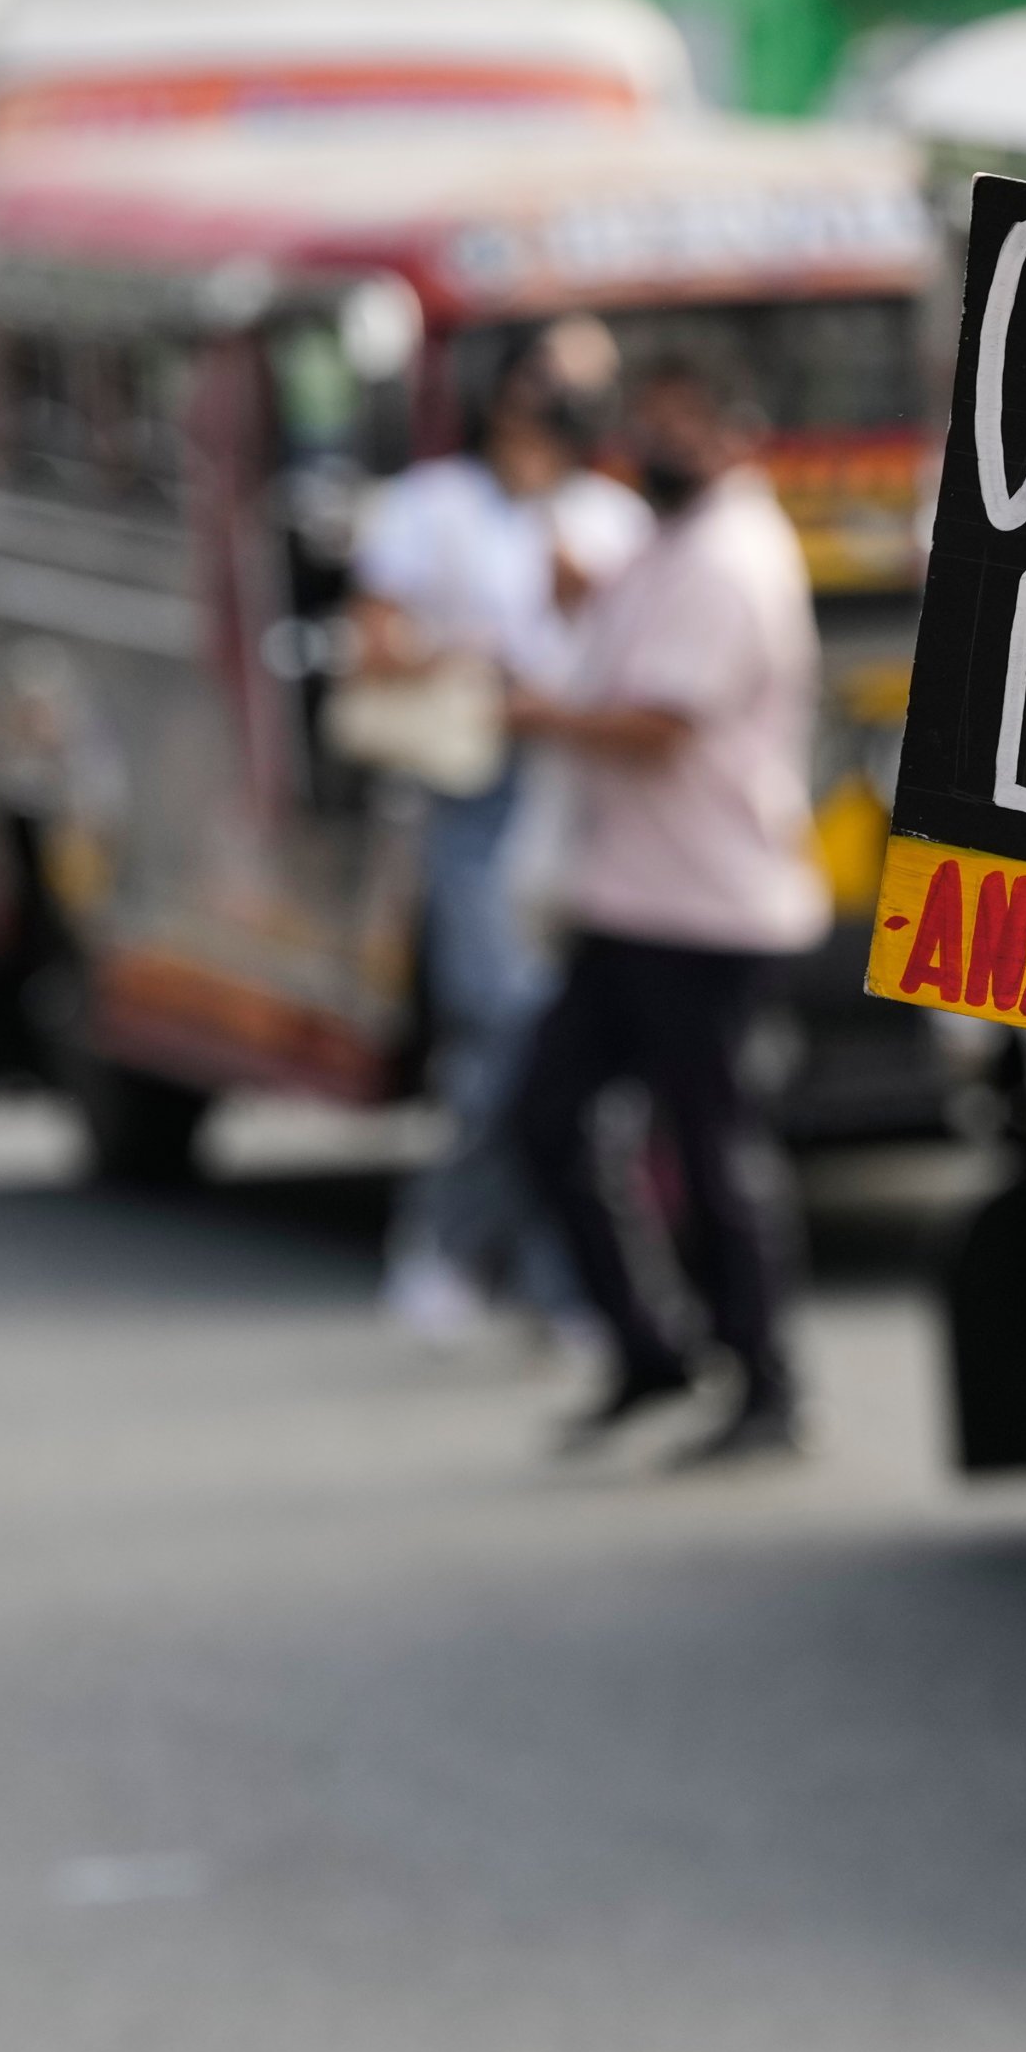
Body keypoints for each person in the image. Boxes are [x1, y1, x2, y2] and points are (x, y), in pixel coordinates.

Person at [506, 340, 831, 1467]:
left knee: (712, 1151)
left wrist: (528, 719)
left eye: (684, 425)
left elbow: (661, 722)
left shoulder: (731, 555)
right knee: (546, 1118)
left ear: (738, 433)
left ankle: (765, 1381)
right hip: (629, 897)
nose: (658, 444)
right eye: (650, 421)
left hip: (708, 908)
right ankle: (651, 1348)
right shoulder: (671, 539)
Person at [355, 326, 651, 1339]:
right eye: (553, 381)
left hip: (588, 788)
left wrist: (590, 606)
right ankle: (504, 1262)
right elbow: (373, 645)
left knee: (563, 1044)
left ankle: (523, 1268)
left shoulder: (612, 518)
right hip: (476, 785)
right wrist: (467, 652)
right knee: (506, 1028)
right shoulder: (429, 507)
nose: (573, 402)